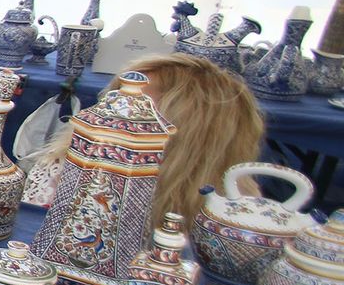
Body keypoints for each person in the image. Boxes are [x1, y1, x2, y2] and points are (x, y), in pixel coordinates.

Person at [21, 53, 264, 227]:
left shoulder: (238, 209)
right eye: (114, 99)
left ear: (189, 138)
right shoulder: (64, 167)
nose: (109, 112)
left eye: (134, 108)